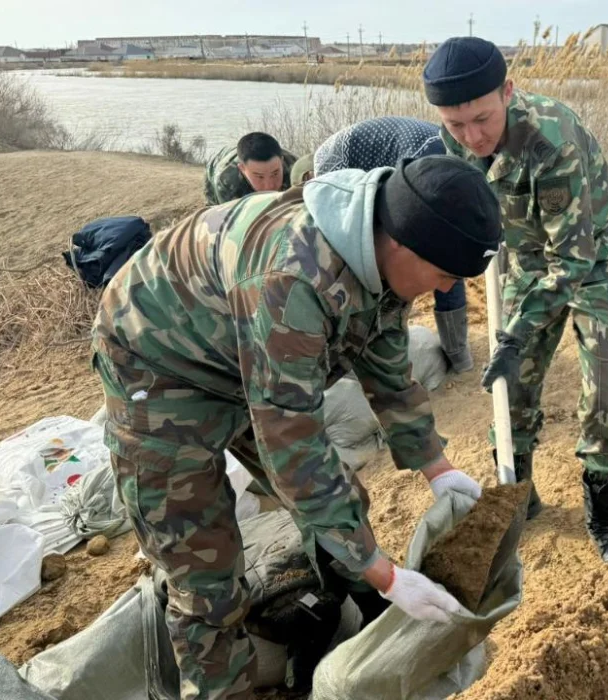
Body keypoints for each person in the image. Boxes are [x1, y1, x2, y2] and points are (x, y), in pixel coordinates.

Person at [92, 155, 501, 700]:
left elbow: (388, 369)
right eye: (445, 275)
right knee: (205, 571)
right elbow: (293, 445)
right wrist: (385, 574)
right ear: (402, 245)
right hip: (158, 363)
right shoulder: (295, 279)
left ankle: (345, 622)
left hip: (239, 349)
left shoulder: (381, 245)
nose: (441, 288)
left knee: (342, 504)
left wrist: (438, 468)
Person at [423, 37, 608, 563]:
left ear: (508, 92)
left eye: (482, 119)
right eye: (456, 125)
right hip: (528, 258)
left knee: (605, 388)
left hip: (596, 259)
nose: (471, 136)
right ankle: (519, 496)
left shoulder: (551, 140)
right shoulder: (451, 141)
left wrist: (519, 331)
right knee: (511, 385)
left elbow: (573, 261)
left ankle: (604, 516)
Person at [291, 116, 474, 373]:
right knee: (369, 266)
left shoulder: (457, 172)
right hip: (351, 162)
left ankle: (455, 350)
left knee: (443, 267)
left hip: (390, 157)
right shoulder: (425, 176)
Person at [203, 131, 298, 205]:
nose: (269, 186)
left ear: (282, 162)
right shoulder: (225, 179)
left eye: (275, 173)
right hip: (216, 165)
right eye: (260, 177)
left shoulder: (295, 167)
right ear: (242, 169)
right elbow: (232, 220)